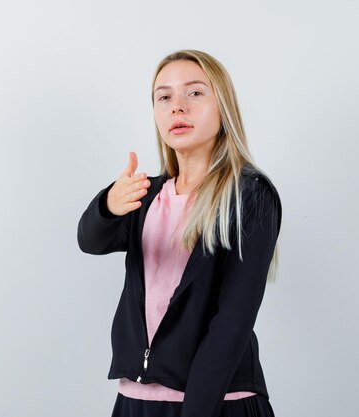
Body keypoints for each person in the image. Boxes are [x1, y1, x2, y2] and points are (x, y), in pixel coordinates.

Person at [77, 49, 282, 417]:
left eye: (195, 93)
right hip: (136, 402)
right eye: (164, 96)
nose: (177, 107)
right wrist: (108, 204)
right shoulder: (145, 194)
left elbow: (231, 324)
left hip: (216, 404)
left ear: (224, 108)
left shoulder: (249, 194)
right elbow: (90, 241)